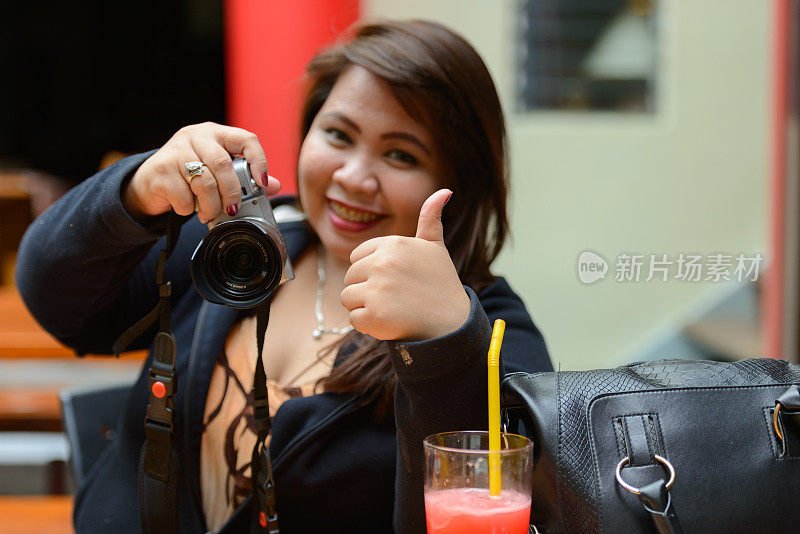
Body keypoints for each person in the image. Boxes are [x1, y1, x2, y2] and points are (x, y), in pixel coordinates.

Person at [16, 19, 552, 533]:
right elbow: (60, 304)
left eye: (399, 154)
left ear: (459, 181)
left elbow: (472, 514)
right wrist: (133, 193)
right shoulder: (237, 244)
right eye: (339, 135)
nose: (353, 177)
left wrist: (443, 346)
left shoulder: (491, 332)